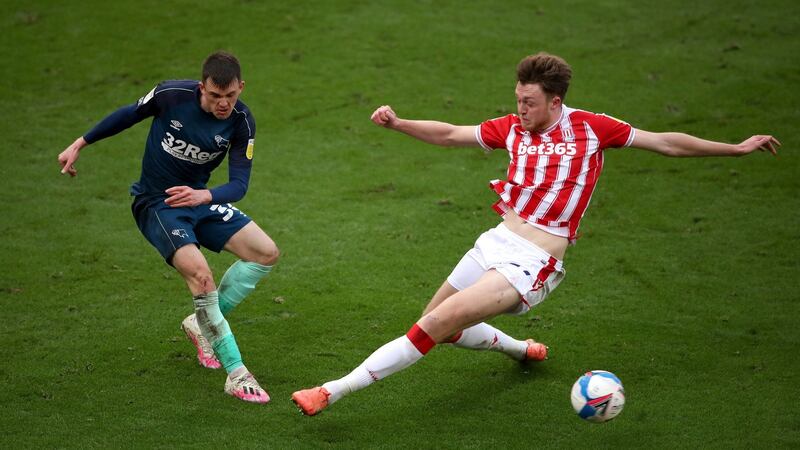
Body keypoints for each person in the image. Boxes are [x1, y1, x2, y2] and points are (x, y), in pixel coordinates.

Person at [291, 52, 780, 415]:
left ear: (555, 101)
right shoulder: (513, 128)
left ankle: (332, 390)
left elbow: (665, 143)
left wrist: (734, 149)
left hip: (533, 262)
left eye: (529, 102)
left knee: (431, 328)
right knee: (439, 323)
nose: (520, 109)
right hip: (495, 242)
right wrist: (398, 124)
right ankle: (521, 349)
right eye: (517, 100)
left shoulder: (592, 129)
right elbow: (449, 133)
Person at [58, 51, 278, 404]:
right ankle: (237, 374)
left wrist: (203, 195)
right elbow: (128, 115)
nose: (223, 104)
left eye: (231, 96)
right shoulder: (170, 95)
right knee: (202, 278)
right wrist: (81, 143)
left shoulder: (242, 122)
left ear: (241, 87)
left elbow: (239, 184)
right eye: (215, 95)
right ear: (201, 86)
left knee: (266, 252)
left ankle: (201, 324)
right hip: (157, 203)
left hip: (198, 199)